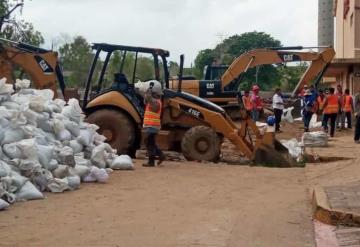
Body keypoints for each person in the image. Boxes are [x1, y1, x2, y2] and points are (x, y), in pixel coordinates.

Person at [142, 81, 165, 167]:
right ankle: (161, 155)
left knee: (149, 142)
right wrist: (148, 91)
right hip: (151, 126)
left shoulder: (156, 103)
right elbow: (146, 100)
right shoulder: (152, 101)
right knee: (150, 142)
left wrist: (149, 90)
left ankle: (151, 161)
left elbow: (149, 98)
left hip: (153, 126)